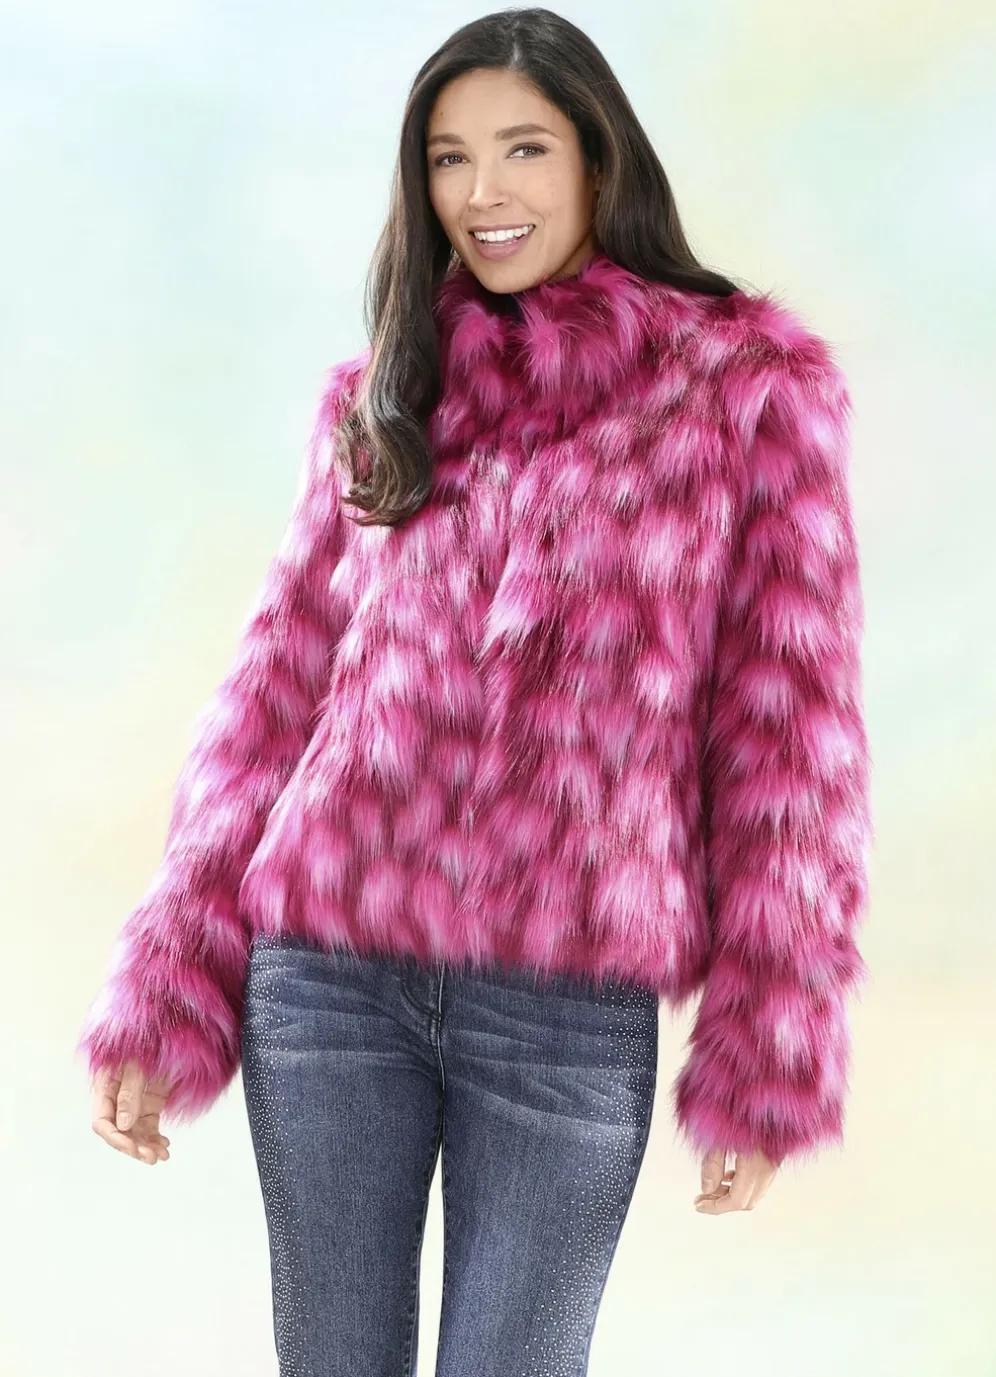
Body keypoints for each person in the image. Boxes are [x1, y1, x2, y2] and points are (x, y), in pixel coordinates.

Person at [77, 8, 873, 1375]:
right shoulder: (385, 393)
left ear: (600, 158)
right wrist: (169, 980)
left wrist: (768, 1041)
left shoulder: (744, 391)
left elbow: (792, 733)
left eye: (524, 149)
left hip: (567, 1000)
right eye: (449, 158)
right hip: (328, 982)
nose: (484, 191)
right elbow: (274, 696)